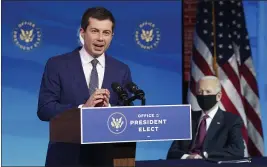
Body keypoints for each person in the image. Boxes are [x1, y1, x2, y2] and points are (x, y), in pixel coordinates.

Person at [37, 7, 133, 166]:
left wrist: (108, 108)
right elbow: (45, 109)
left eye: (106, 33)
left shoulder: (121, 70)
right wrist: (83, 109)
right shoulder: (57, 65)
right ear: (82, 32)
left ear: (112, 36)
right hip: (67, 157)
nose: (101, 38)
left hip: (107, 158)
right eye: (95, 31)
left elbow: (127, 114)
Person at [167, 76, 245, 160]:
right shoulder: (187, 118)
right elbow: (172, 152)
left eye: (208, 92)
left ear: (218, 96)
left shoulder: (231, 120)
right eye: (200, 92)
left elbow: (237, 151)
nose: (203, 95)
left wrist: (205, 155)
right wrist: (188, 157)